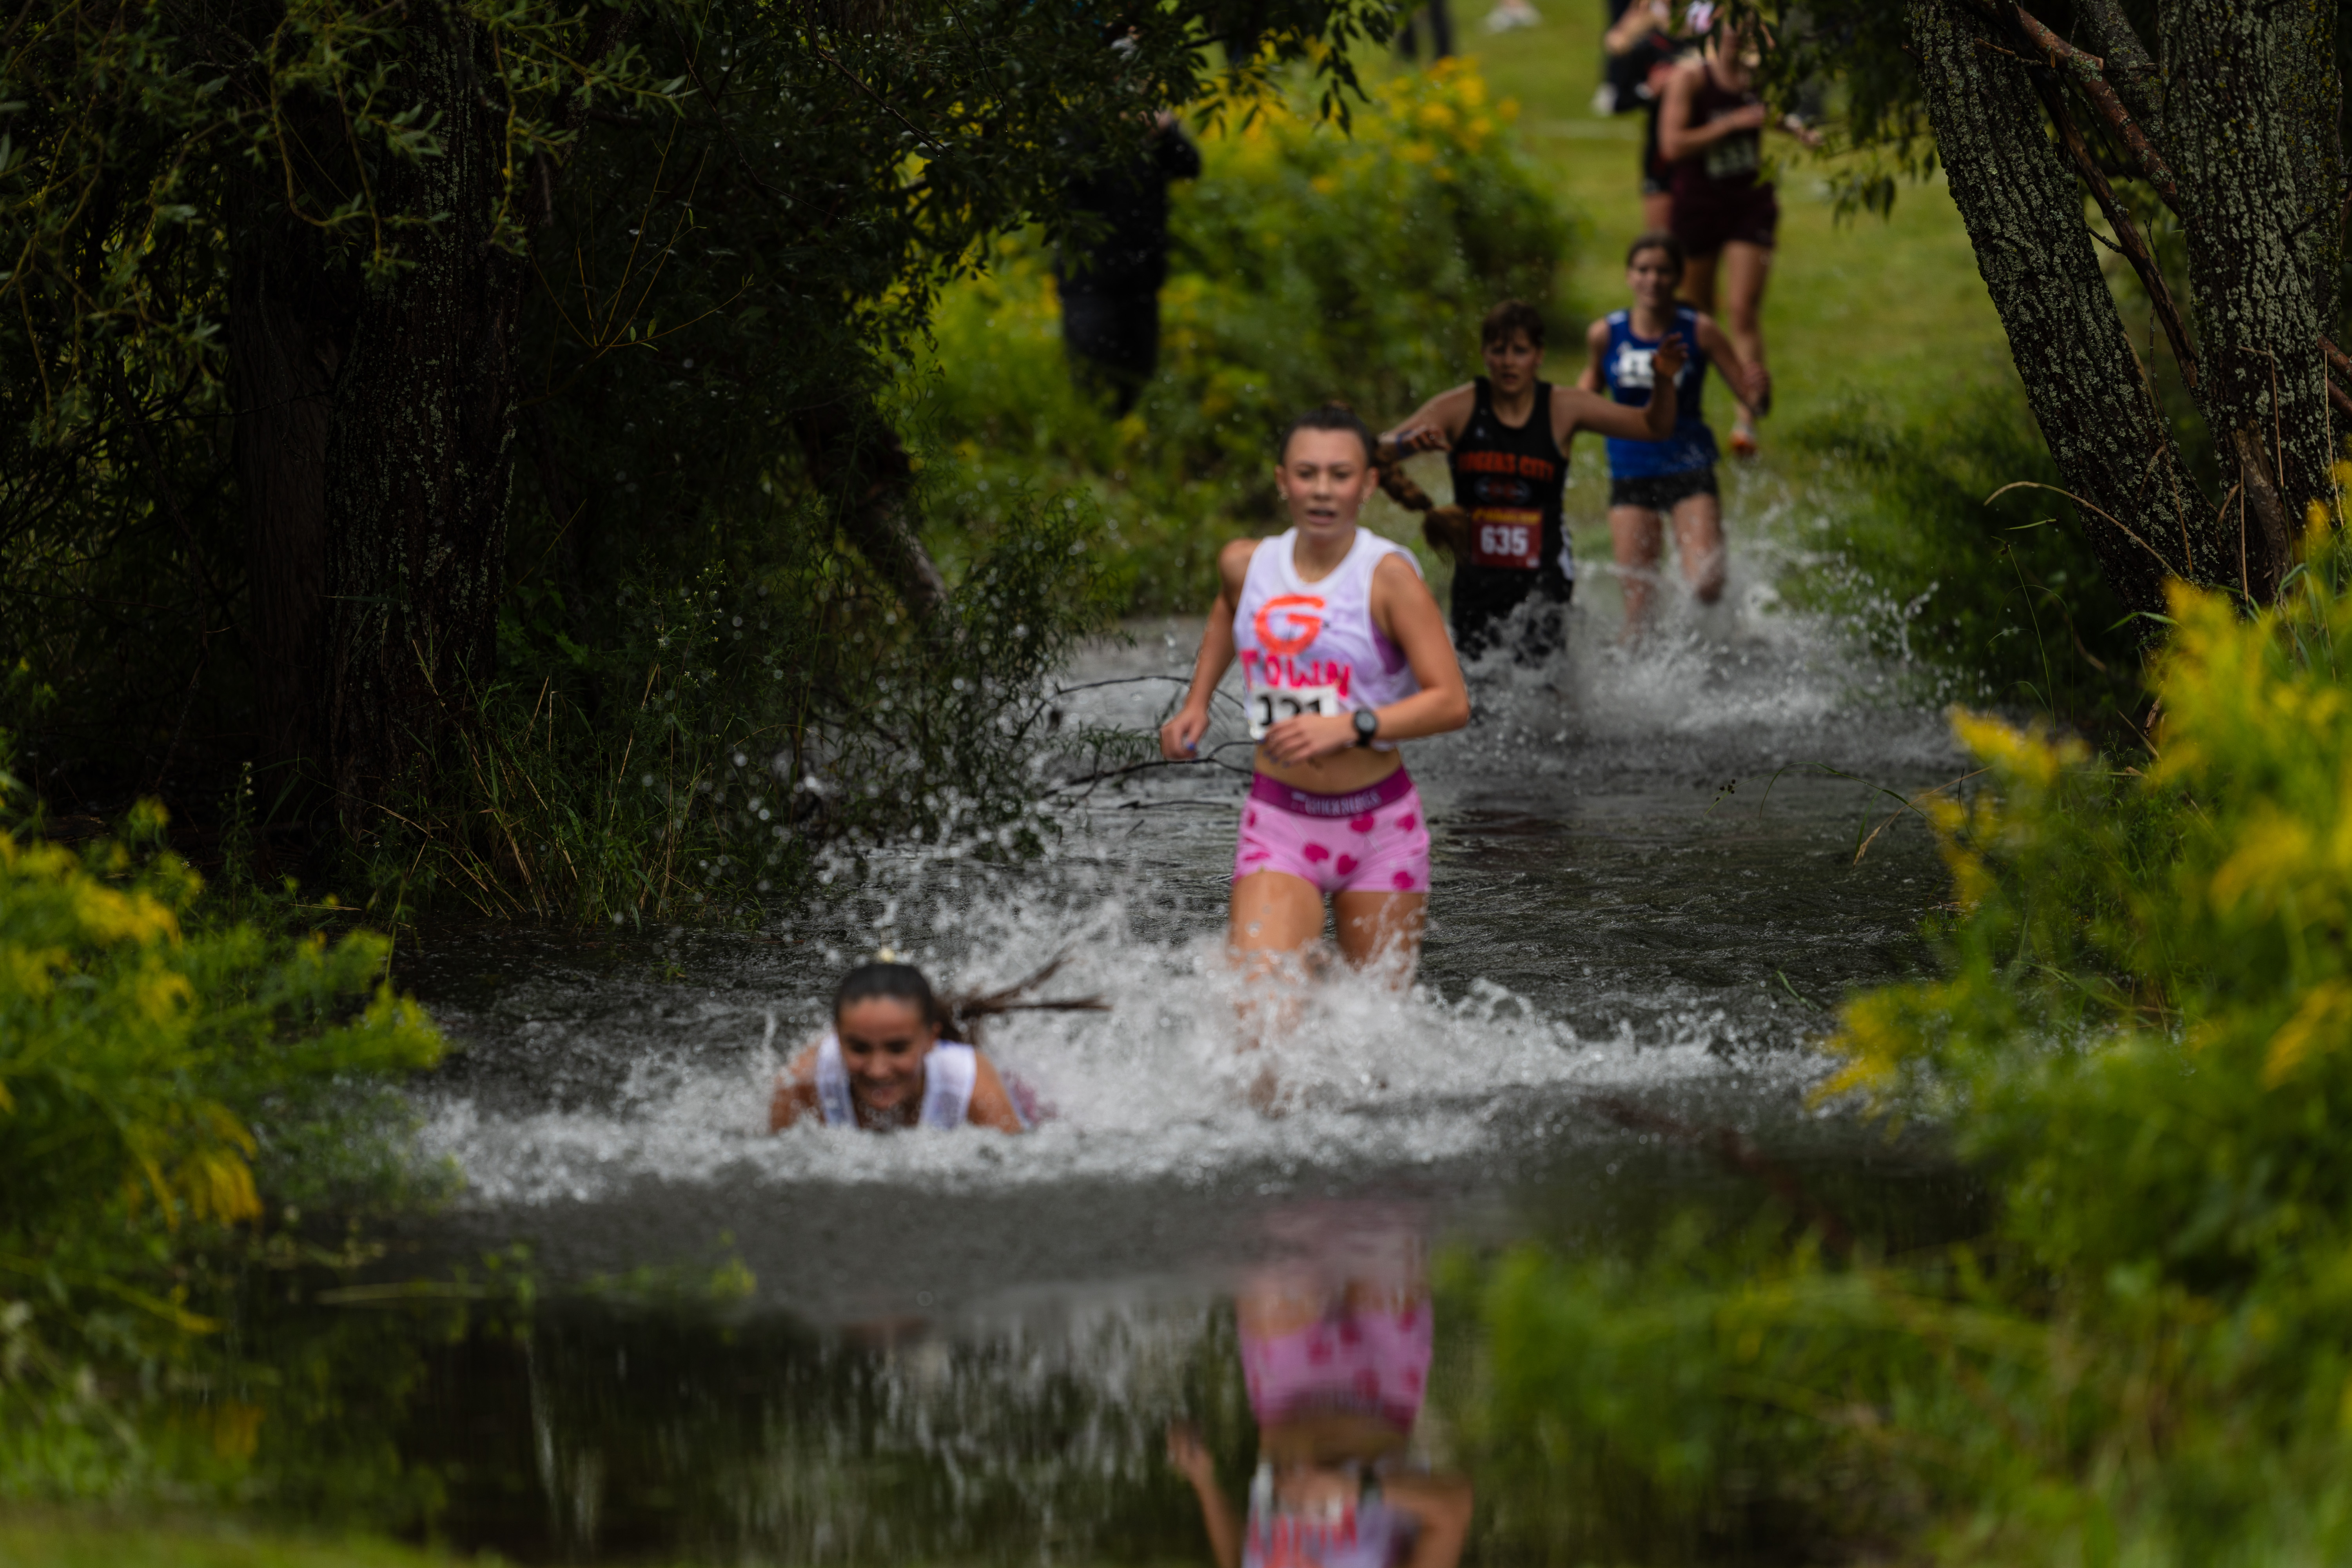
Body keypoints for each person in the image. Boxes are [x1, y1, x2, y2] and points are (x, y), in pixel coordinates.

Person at [1156, 406, 1471, 977]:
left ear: (1367, 484)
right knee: (1263, 1010)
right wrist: (1196, 702)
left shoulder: (1388, 577)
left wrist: (1351, 725)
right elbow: (1230, 606)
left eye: (1340, 475)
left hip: (1380, 830)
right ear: (1283, 481)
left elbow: (1451, 702)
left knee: (1372, 1021)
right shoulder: (1246, 563)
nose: (1323, 490)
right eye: (1307, 474)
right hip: (1279, 821)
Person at [1376, 300, 1686, 662]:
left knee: (1542, 677)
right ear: (1485, 354)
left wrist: (1663, 381)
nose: (1508, 362)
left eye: (1520, 351)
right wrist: (1405, 445)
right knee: (1476, 679)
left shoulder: (1564, 408)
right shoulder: (1460, 407)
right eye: (1499, 351)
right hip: (1477, 579)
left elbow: (1654, 427)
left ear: (1539, 356)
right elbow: (1375, 451)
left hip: (1545, 576)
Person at [1166, 1222, 1472, 1568]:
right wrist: (1354, 1491)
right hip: (1386, 1386)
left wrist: (1204, 1483)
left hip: (1284, 1390)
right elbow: (1454, 1508)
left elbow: (1236, 1559)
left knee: (1277, 1231)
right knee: (1384, 1218)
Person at [1577, 232, 1764, 632]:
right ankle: (1647, 667)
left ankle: (1703, 640)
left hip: (1688, 464)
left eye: (1663, 271)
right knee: (1640, 609)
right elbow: (1583, 396)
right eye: (1643, 270)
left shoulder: (1701, 331)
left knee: (1707, 584)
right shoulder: (1605, 334)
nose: (1653, 280)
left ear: (1678, 278)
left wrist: (1760, 393)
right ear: (1629, 276)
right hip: (1630, 468)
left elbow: (1753, 401)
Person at [1656, 10, 1815, 458]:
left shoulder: (1755, 78)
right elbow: (1672, 145)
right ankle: (1685, 411)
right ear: (1714, 32)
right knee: (1698, 315)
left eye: (1748, 30)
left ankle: (1748, 416)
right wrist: (1730, 125)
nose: (1740, 38)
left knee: (1743, 309)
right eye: (1733, 29)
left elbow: (1768, 113)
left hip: (1749, 203)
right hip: (1698, 205)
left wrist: (1800, 131)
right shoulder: (1690, 79)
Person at [768, 958, 1096, 1133]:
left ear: (930, 1041)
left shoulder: (972, 1086)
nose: (878, 1070)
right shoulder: (800, 1085)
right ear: (837, 1039)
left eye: (897, 1049)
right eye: (859, 1049)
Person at [1057, 111, 1202, 417]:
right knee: (1092, 368)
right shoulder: (1080, 119)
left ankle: (1127, 434)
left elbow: (1190, 165)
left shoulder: (1154, 124)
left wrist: (1163, 132)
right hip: (1089, 277)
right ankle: (1091, 434)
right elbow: (1065, 172)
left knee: (1137, 373)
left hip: (1142, 278)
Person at [1599, 0, 1687, 233]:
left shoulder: (1709, 44)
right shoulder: (1648, 46)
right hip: (1660, 153)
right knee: (1661, 240)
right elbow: (1619, 102)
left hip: (1700, 152)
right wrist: (1649, 91)